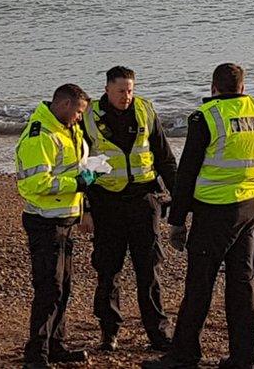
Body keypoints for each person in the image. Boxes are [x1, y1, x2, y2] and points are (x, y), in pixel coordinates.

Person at [142, 64, 254, 369]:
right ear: (243, 87)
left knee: (199, 287)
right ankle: (243, 356)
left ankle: (184, 354)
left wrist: (176, 222)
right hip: (249, 208)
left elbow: (187, 172)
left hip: (214, 213)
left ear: (214, 88)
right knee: (241, 285)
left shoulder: (206, 117)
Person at [82, 66, 177, 353]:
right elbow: (80, 166)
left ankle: (158, 334)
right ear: (107, 89)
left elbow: (164, 157)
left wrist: (180, 199)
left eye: (131, 90)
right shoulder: (89, 116)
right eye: (121, 91)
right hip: (106, 202)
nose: (127, 96)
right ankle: (109, 332)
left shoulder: (145, 110)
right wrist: (84, 208)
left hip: (143, 202)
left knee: (148, 270)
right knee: (108, 270)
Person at [15, 84, 94, 368]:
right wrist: (78, 183)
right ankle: (36, 355)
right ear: (63, 105)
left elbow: (72, 167)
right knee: (49, 288)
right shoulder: (41, 135)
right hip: (44, 221)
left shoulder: (66, 129)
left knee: (64, 287)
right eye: (78, 111)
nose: (79, 118)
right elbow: (34, 183)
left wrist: (85, 184)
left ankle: (55, 344)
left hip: (64, 218)